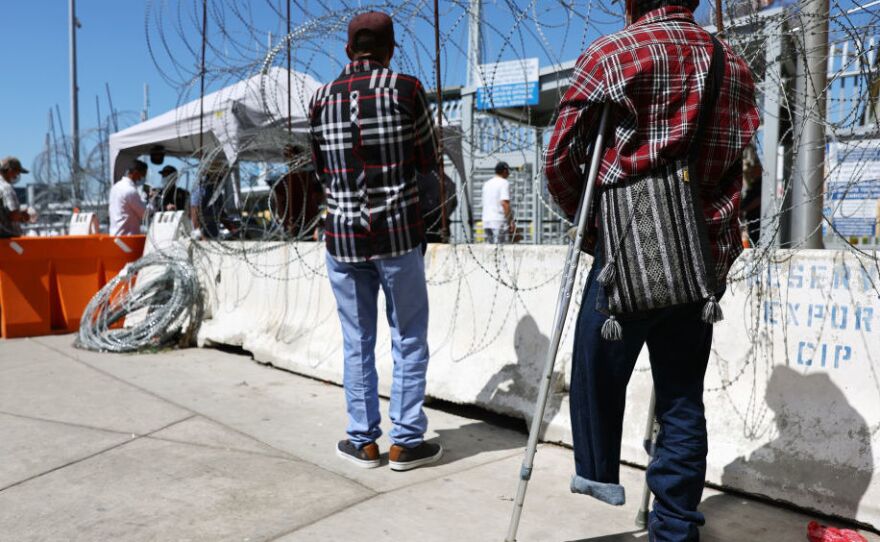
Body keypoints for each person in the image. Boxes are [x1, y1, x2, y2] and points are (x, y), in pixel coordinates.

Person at [544, 0, 759, 539]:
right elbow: (737, 164)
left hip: (626, 251)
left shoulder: (614, 53)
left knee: (596, 369)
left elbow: (561, 161)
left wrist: (594, 226)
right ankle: (675, 526)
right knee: (682, 397)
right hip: (700, 260)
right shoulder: (733, 64)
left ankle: (597, 475)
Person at [308, 11, 443, 471]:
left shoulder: (320, 99)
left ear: (349, 50)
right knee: (408, 338)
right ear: (389, 50)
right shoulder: (406, 89)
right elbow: (429, 159)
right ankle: (406, 442)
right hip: (399, 235)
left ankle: (363, 441)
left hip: (342, 238)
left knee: (356, 340)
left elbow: (320, 169)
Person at [269, 145, 323, 238]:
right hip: (300, 222)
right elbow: (280, 202)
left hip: (304, 222)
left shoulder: (306, 178)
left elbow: (279, 203)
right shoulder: (289, 180)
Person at [109, 159, 148, 236]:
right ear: (136, 173)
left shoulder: (115, 187)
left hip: (114, 235)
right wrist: (152, 203)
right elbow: (144, 214)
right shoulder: (130, 190)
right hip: (127, 238)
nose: (141, 179)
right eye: (142, 175)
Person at [190, 160, 227, 239]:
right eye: (219, 174)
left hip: (214, 233)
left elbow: (221, 214)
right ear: (212, 175)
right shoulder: (200, 191)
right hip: (202, 235)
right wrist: (200, 235)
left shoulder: (217, 193)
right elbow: (194, 214)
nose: (222, 177)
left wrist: (233, 228)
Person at [481, 161, 515, 244]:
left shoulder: (487, 184)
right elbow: (505, 203)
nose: (508, 173)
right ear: (504, 171)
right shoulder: (504, 183)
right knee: (500, 249)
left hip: (486, 220)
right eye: (508, 171)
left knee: (490, 249)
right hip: (498, 221)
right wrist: (511, 221)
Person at [0, 156, 31, 237]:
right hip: (9, 240)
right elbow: (13, 215)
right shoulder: (6, 188)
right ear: (10, 171)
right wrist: (23, 215)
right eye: (17, 173)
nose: (16, 176)